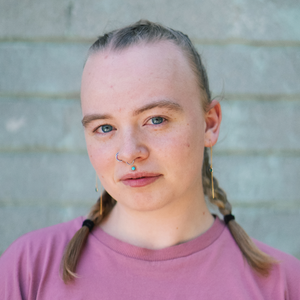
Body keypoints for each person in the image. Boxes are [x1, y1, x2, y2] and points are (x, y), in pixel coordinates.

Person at [0, 20, 299, 299]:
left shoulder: (282, 283)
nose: (129, 152)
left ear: (210, 124)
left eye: (156, 119)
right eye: (105, 128)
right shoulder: (28, 269)